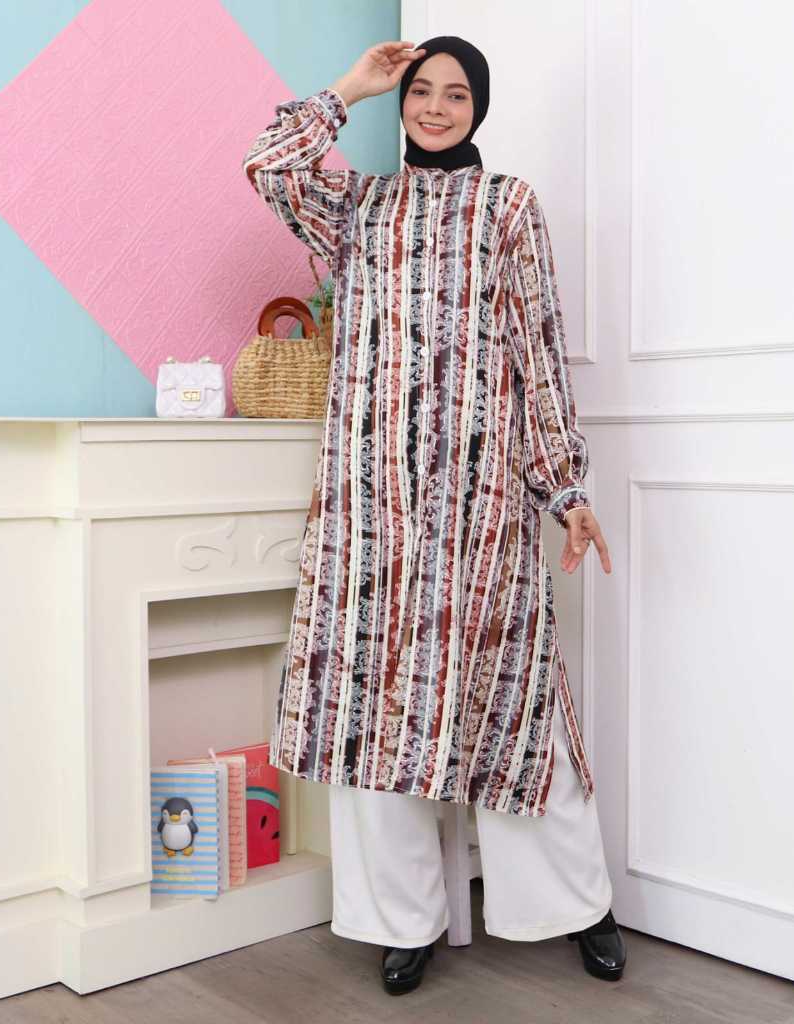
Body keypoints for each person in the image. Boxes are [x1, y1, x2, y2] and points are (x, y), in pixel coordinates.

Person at [242, 36, 626, 995]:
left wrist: (567, 491)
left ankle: (576, 904)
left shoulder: (508, 207)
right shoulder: (358, 206)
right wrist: (353, 88)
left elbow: (538, 351)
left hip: (482, 503)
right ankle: (401, 920)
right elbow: (269, 166)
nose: (437, 107)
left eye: (457, 94)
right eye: (421, 90)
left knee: (514, 702)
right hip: (371, 510)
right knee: (377, 712)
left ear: (478, 109)